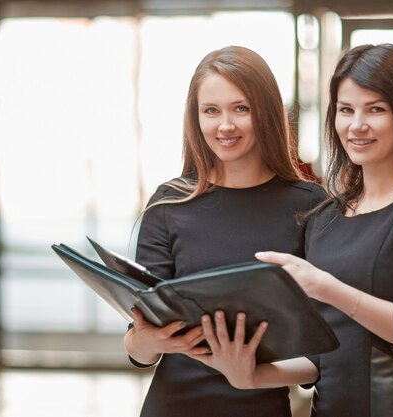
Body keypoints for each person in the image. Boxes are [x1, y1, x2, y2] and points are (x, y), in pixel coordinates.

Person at [191, 43, 393, 417]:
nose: (357, 125)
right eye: (346, 110)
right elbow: (324, 355)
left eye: (376, 109)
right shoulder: (326, 215)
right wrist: (251, 377)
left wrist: (327, 288)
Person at [123, 45, 326, 417]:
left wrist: (251, 375)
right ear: (195, 117)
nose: (225, 125)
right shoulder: (168, 204)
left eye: (241, 108)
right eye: (211, 111)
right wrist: (145, 340)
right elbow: (139, 351)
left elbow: (322, 348)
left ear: (265, 112)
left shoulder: (312, 205)